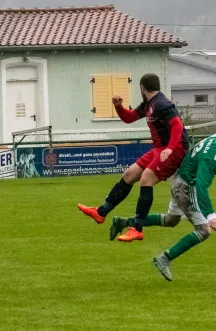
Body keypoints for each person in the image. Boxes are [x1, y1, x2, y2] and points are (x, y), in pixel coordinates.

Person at [77, 73, 189, 241]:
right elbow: (129, 118)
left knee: (146, 180)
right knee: (130, 174)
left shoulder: (161, 104)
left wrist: (171, 149)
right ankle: (101, 212)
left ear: (142, 88)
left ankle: (137, 228)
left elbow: (177, 126)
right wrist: (118, 107)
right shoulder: (149, 104)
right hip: (160, 149)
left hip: (175, 150)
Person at [150, 116, 216, 281]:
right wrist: (210, 215)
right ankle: (164, 259)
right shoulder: (211, 159)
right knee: (204, 230)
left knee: (171, 220)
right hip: (185, 186)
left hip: (180, 179)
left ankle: (127, 222)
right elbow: (201, 186)